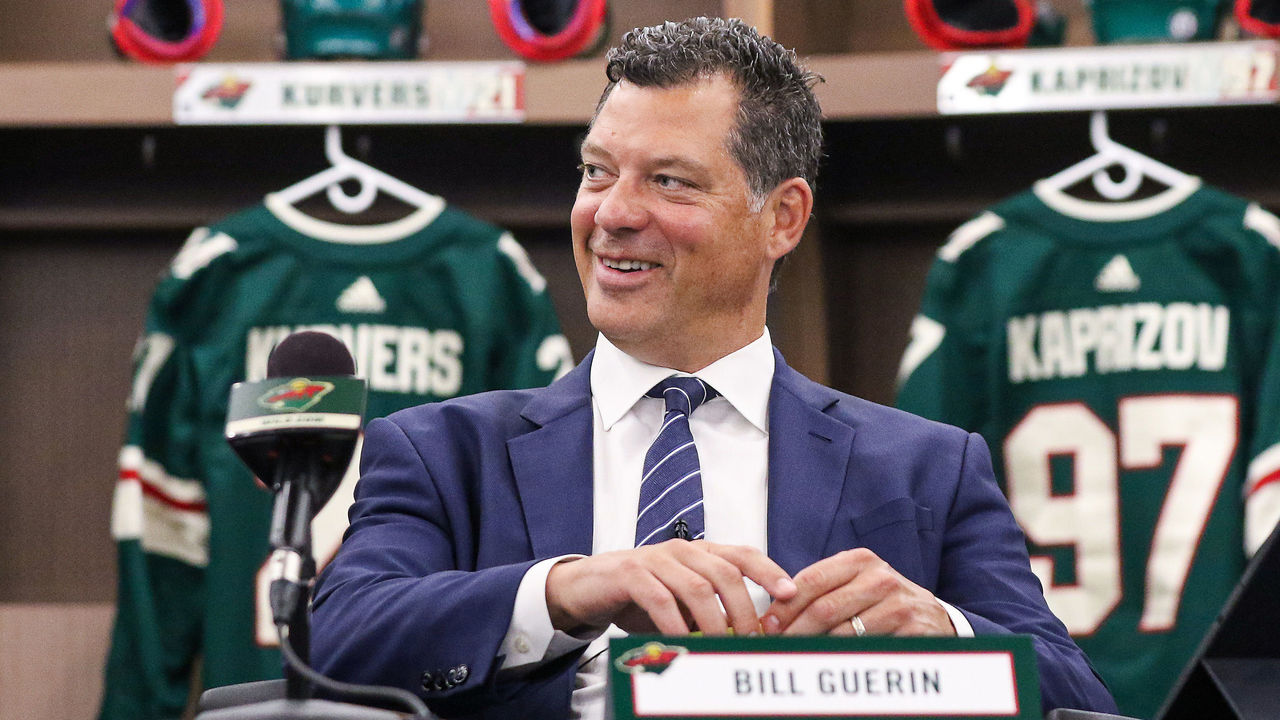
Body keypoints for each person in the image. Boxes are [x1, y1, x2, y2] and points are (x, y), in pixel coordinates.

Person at [311, 16, 1117, 719]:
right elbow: (335, 649)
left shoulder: (929, 469)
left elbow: (1077, 700)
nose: (614, 214)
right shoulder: (439, 451)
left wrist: (947, 636)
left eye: (669, 181)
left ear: (784, 218)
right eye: (597, 171)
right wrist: (564, 590)